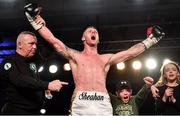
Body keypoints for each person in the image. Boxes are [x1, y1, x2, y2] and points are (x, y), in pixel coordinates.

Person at [24, 3, 165, 115]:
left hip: (102, 102)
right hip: (81, 101)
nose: (93, 32)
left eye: (95, 32)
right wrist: (33, 20)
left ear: (98, 40)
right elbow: (53, 41)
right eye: (90, 31)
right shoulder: (74, 55)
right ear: (83, 38)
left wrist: (151, 40)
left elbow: (129, 53)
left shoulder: (106, 59)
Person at [0, 31, 68, 114]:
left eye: (35, 44)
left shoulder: (32, 62)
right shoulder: (10, 61)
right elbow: (19, 80)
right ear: (20, 44)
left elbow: (34, 81)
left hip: (33, 111)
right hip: (16, 111)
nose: (35, 47)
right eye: (31, 43)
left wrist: (44, 90)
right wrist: (47, 85)